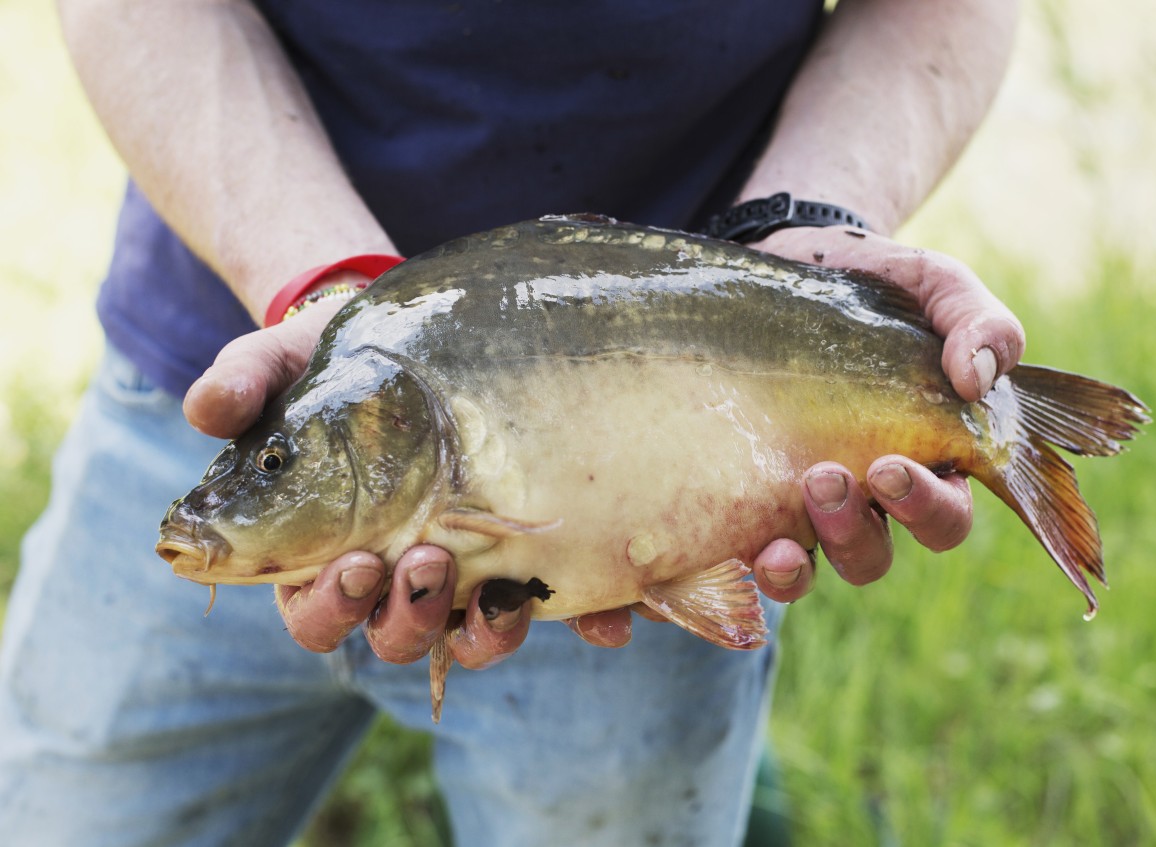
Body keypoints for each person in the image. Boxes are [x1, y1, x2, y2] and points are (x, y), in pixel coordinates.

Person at [0, 1, 1022, 845]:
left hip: (673, 476)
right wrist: (326, 290)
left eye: (275, 471)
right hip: (229, 352)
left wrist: (800, 224)